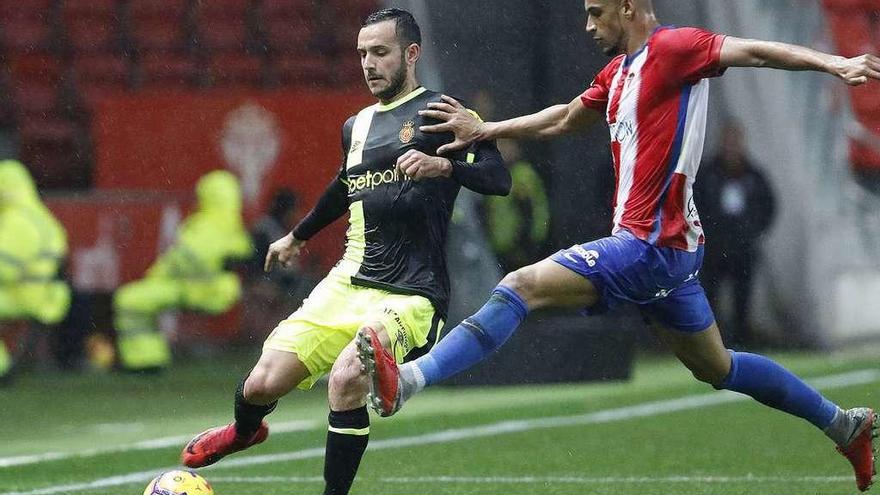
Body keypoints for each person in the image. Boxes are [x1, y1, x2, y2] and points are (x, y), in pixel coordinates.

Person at [357, 0, 880, 491]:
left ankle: (409, 380)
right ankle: (842, 425)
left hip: (648, 244)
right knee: (718, 368)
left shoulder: (676, 49)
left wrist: (835, 64)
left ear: (628, 7)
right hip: (669, 252)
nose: (588, 25)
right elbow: (564, 117)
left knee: (521, 287)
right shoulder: (617, 73)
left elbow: (758, 50)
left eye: (596, 12)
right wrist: (488, 128)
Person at [180, 9, 510, 495]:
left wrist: (448, 170)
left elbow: (498, 179)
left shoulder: (444, 111)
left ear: (411, 54)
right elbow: (343, 187)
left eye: (381, 52)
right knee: (260, 385)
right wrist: (298, 236)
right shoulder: (355, 126)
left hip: (412, 292)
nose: (369, 64)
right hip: (348, 280)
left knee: (348, 375)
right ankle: (244, 431)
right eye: (363, 54)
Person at [113, 169, 252, 372]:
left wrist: (155, 276)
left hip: (199, 291)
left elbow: (181, 262)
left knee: (129, 299)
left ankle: (144, 361)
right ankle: (148, 359)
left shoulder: (204, 226)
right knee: (138, 300)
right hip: (214, 290)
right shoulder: (232, 226)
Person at [695, 121, 776, 347]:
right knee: (710, 298)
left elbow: (768, 206)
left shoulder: (754, 175)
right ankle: (710, 345)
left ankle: (741, 343)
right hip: (714, 249)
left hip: (743, 249)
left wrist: (753, 232)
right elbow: (695, 203)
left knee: (742, 299)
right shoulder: (708, 174)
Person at [0, 160, 71, 384]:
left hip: (23, 295)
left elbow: (5, 269)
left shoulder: (17, 222)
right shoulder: (44, 219)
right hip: (48, 295)